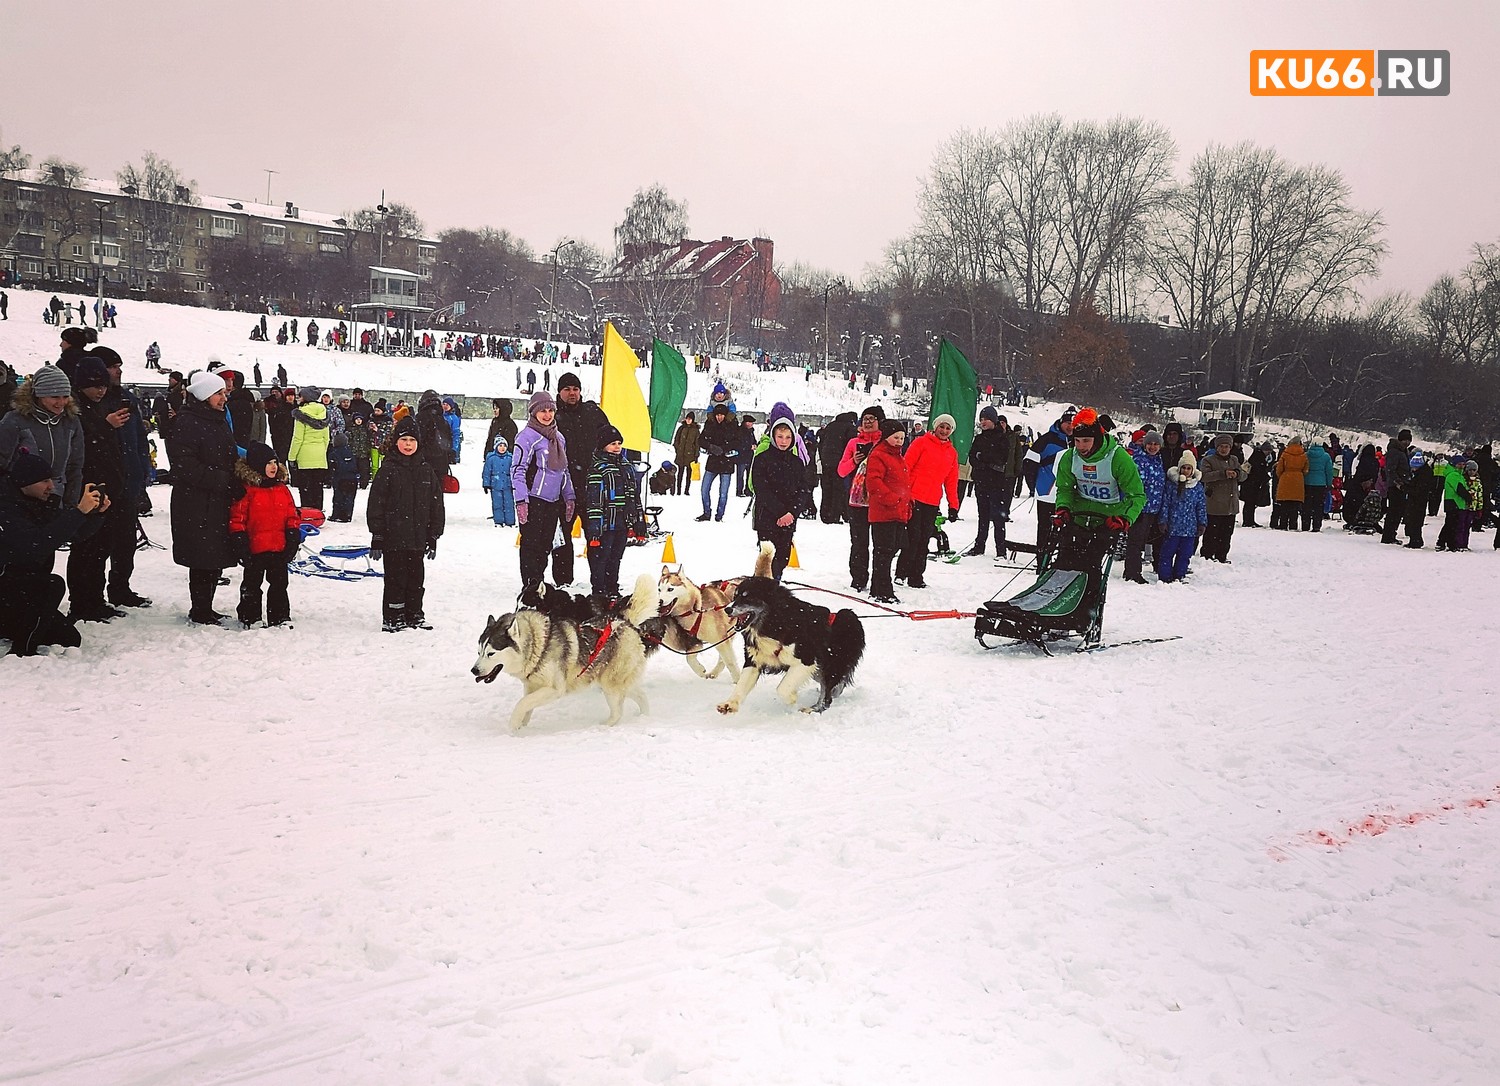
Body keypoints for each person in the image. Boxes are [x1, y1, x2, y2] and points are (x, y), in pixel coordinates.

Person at [0, 450, 110, 655]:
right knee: (52, 585)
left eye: (51, 479)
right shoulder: (6, 508)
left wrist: (95, 514)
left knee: (68, 638)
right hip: (7, 588)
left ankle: (12, 627)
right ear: (25, 482)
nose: (51, 486)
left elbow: (73, 534)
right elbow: (36, 546)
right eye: (44, 481)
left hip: (25, 590)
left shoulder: (41, 503)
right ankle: (22, 650)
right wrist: (78, 512)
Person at [167, 371, 245, 625]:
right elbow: (185, 465)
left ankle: (207, 606)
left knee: (215, 553)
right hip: (196, 501)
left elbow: (229, 453)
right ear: (204, 396)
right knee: (202, 556)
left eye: (224, 393)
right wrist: (223, 480)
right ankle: (200, 608)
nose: (224, 398)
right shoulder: (188, 422)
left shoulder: (217, 419)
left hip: (217, 499)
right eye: (219, 393)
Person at [64, 358, 135, 621]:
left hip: (108, 487)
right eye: (94, 386)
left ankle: (95, 599)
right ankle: (81, 603)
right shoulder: (75, 409)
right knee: (86, 548)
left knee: (101, 548)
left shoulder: (102, 404)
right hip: (87, 487)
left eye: (103, 385)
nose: (100, 390)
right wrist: (105, 426)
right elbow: (82, 447)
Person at [367, 416, 444, 631]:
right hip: (394, 537)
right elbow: (376, 504)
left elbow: (436, 505)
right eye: (404, 440)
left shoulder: (426, 470)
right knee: (396, 578)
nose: (408, 444)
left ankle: (414, 613)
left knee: (415, 579)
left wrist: (434, 534)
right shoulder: (388, 470)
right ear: (396, 442)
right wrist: (378, 534)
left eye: (412, 440)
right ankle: (394, 615)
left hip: (418, 537)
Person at [228, 442, 301, 628]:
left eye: (275, 462)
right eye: (268, 463)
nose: (273, 466)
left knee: (279, 584)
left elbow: (292, 515)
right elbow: (238, 519)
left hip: (278, 546)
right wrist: (240, 542)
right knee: (252, 585)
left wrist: (293, 534)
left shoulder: (282, 489)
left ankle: (279, 616)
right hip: (255, 548)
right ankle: (249, 616)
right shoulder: (247, 490)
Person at [511, 391, 575, 596]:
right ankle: (530, 584)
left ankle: (539, 582)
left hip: (553, 501)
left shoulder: (559, 438)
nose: (547, 415)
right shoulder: (527, 437)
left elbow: (563, 470)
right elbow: (517, 470)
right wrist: (521, 500)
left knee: (546, 545)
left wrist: (569, 496)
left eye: (550, 411)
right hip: (533, 500)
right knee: (531, 545)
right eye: (542, 411)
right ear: (534, 413)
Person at [0, 365, 86, 509]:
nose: (61, 403)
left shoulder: (71, 421)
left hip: (56, 497)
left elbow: (75, 466)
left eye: (65, 397)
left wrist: (71, 503)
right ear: (39, 395)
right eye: (54, 397)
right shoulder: (15, 420)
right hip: (20, 500)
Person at [902, 414, 962, 589]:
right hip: (914, 497)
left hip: (932, 501)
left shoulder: (951, 453)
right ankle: (902, 571)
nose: (944, 431)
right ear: (935, 427)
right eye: (941, 427)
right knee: (913, 537)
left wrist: (953, 506)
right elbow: (906, 466)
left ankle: (916, 576)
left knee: (924, 540)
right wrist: (904, 492)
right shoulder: (921, 443)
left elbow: (951, 481)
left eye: (948, 428)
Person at [584, 425, 641, 600]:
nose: (617, 447)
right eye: (612, 444)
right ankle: (599, 591)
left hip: (622, 523)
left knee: (616, 558)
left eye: (619, 443)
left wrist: (638, 520)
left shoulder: (626, 466)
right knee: (601, 559)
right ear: (602, 445)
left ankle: (612, 588)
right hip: (605, 524)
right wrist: (594, 528)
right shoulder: (598, 468)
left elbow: (634, 495)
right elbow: (594, 500)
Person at [749, 412, 805, 582]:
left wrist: (792, 513)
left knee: (782, 557)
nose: (783, 441)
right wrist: (780, 512)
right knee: (767, 559)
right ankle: (763, 590)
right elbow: (761, 488)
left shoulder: (797, 462)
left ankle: (774, 585)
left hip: (788, 519)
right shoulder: (762, 459)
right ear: (773, 435)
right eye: (780, 436)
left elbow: (803, 491)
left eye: (788, 437)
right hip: (767, 517)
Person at [864, 419, 913, 603]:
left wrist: (908, 501)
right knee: (883, 552)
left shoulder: (898, 456)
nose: (900, 441)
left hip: (898, 511)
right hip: (884, 512)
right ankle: (883, 589)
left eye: (902, 438)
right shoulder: (879, 454)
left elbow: (903, 482)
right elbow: (874, 482)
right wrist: (893, 499)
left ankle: (879, 587)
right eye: (896, 437)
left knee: (891, 550)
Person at [836, 406, 884, 589]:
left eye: (872, 418)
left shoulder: (885, 443)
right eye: (865, 418)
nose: (868, 422)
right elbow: (841, 471)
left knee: (881, 544)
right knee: (859, 542)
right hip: (856, 501)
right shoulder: (853, 443)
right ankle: (858, 578)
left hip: (879, 500)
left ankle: (880, 579)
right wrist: (854, 461)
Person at [965, 406, 1018, 556]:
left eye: (986, 419)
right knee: (982, 515)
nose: (983, 422)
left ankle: (1000, 550)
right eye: (981, 419)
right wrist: (982, 460)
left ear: (993, 420)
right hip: (981, 481)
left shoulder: (1002, 438)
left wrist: (983, 457)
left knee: (998, 517)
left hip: (997, 483)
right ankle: (979, 545)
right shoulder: (979, 438)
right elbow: (973, 456)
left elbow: (1000, 459)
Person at [1025, 409, 1075, 550]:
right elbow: (1029, 462)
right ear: (1061, 422)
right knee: (1045, 529)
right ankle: (1042, 560)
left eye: (1073, 423)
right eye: (1067, 423)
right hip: (1047, 492)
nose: (1070, 426)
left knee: (1067, 530)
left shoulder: (1077, 441)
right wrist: (1033, 485)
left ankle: (1060, 562)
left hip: (1068, 494)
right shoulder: (1047, 439)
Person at [1156, 450, 1207, 583]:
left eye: (1188, 468)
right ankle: (1165, 576)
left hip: (1190, 528)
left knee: (1185, 555)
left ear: (1193, 470)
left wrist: (1202, 522)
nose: (1185, 470)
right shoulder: (1171, 485)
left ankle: (1180, 575)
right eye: (1183, 467)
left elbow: (1201, 506)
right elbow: (1165, 504)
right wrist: (1163, 521)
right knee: (1167, 553)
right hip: (1172, 527)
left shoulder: (1197, 487)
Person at [1124, 431, 1166, 583]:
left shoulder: (1158, 460)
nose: (1152, 447)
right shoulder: (1138, 460)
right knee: (1136, 541)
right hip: (1139, 508)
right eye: (1150, 444)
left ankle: (1133, 569)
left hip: (1153, 508)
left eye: (1156, 444)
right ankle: (1132, 572)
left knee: (1143, 541)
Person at [1199, 434, 1244, 560]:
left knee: (1227, 533)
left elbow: (1244, 475)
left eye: (1226, 447)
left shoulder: (1234, 460)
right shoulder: (1208, 460)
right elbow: (1204, 476)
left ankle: (1222, 555)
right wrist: (1223, 474)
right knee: (1212, 533)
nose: (1224, 449)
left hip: (1231, 505)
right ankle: (1207, 555)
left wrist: (1238, 474)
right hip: (1214, 504)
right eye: (1221, 447)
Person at [287, 386, 331, 511]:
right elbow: (326, 439)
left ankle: (307, 513)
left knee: (305, 488)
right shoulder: (323, 413)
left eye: (300, 396)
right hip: (320, 457)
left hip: (304, 457)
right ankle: (318, 512)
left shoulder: (301, 414)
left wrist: (291, 457)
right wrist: (321, 451)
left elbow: (297, 439)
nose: (298, 398)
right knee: (317, 488)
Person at [697, 401, 739, 522]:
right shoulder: (710, 425)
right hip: (713, 461)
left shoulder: (733, 425)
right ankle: (706, 512)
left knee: (723, 493)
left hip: (727, 462)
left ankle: (719, 515)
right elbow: (701, 440)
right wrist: (711, 447)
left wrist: (724, 449)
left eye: (721, 415)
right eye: (717, 415)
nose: (719, 417)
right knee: (704, 489)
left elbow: (737, 442)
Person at [818, 411, 857, 524]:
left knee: (826, 489)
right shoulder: (850, 428)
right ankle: (834, 516)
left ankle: (825, 515)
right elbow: (851, 446)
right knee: (838, 490)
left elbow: (821, 443)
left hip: (826, 461)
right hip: (840, 463)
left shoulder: (831, 426)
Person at [1379, 430, 1414, 544]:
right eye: (1405, 440)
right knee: (1394, 511)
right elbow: (1390, 469)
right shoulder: (1395, 452)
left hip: (1403, 484)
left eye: (1408, 440)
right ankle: (1388, 535)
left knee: (1398, 511)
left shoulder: (1404, 452)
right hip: (1396, 486)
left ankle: (1391, 534)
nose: (1407, 442)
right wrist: (1398, 482)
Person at [1272, 438, 1309, 530]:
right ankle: (1293, 524)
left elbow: (1279, 469)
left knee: (1284, 504)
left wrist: (1283, 475)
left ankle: (1283, 524)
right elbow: (1306, 469)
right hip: (1298, 480)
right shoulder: (1303, 455)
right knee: (1295, 505)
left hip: (1285, 478)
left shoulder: (1285, 454)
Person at [482, 434, 517, 527]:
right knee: (497, 504)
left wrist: (515, 483)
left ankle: (510, 521)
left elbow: (514, 471)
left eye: (504, 446)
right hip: (495, 485)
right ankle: (498, 521)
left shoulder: (510, 458)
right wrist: (486, 484)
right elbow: (486, 472)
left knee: (509, 504)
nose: (502, 448)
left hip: (507, 484)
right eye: (500, 446)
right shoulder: (491, 458)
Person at [1302, 437, 1334, 533]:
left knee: (1306, 505)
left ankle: (1305, 525)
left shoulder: (1306, 455)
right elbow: (1329, 471)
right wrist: (1329, 484)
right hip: (1320, 484)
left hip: (1307, 482)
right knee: (1318, 506)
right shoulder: (1326, 456)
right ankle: (1316, 526)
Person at [327, 438, 360, 522]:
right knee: (350, 498)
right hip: (352, 478)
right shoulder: (351, 451)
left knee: (339, 498)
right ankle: (347, 515)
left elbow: (332, 465)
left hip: (340, 478)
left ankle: (337, 515)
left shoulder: (334, 452)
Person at [1242, 442, 1273, 526]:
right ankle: (1248, 521)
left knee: (1249, 503)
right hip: (1252, 483)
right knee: (1250, 503)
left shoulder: (1256, 455)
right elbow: (1258, 470)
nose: (1269, 454)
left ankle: (1248, 520)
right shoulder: (1259, 457)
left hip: (1250, 482)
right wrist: (1266, 477)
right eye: (1268, 451)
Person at [672, 412, 700, 496]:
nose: (688, 420)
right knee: (680, 473)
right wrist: (677, 448)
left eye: (690, 419)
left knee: (689, 474)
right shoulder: (681, 428)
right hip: (681, 454)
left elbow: (697, 443)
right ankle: (678, 490)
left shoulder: (695, 430)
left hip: (690, 455)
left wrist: (696, 455)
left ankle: (686, 490)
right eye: (687, 418)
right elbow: (676, 439)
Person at [735, 415, 757, 496]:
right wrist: (749, 446)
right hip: (741, 457)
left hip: (749, 456)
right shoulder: (740, 431)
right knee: (740, 475)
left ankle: (747, 490)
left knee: (749, 474)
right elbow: (739, 444)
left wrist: (755, 444)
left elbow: (754, 441)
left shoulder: (751, 432)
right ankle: (739, 490)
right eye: (750, 422)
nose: (751, 424)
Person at [441, 396, 464, 465]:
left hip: (449, 444)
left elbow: (455, 433)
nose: (445, 406)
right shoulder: (440, 416)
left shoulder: (454, 418)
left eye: (447, 405)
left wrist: (454, 449)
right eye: (444, 404)